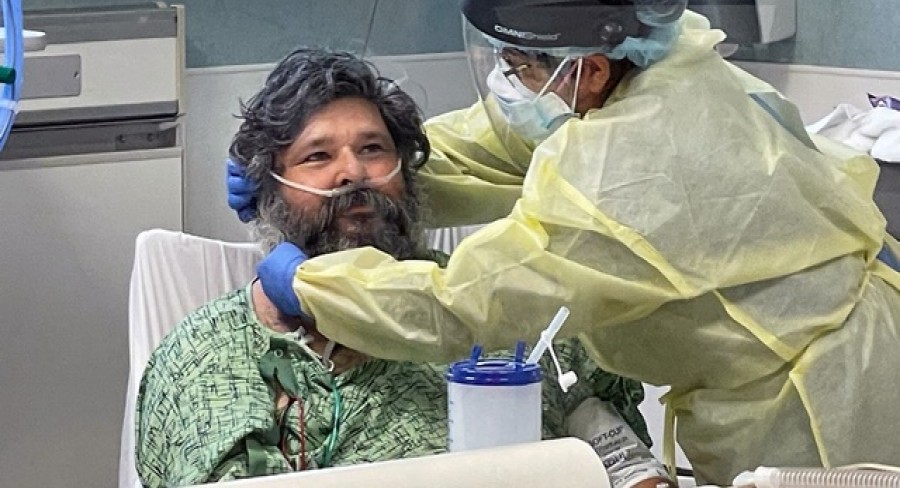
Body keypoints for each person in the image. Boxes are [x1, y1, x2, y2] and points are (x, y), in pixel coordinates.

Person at [226, 0, 900, 486]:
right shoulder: (664, 61)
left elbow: (464, 305)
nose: (508, 83)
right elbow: (506, 139)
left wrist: (312, 286)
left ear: (591, 66)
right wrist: (390, 166)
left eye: (518, 64)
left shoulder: (631, 172)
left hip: (817, 408)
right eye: (320, 157)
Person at [137, 47, 672, 488]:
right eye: (317, 157)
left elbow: (615, 448)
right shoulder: (217, 352)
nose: (354, 172)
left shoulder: (486, 301)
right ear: (268, 189)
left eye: (373, 149)